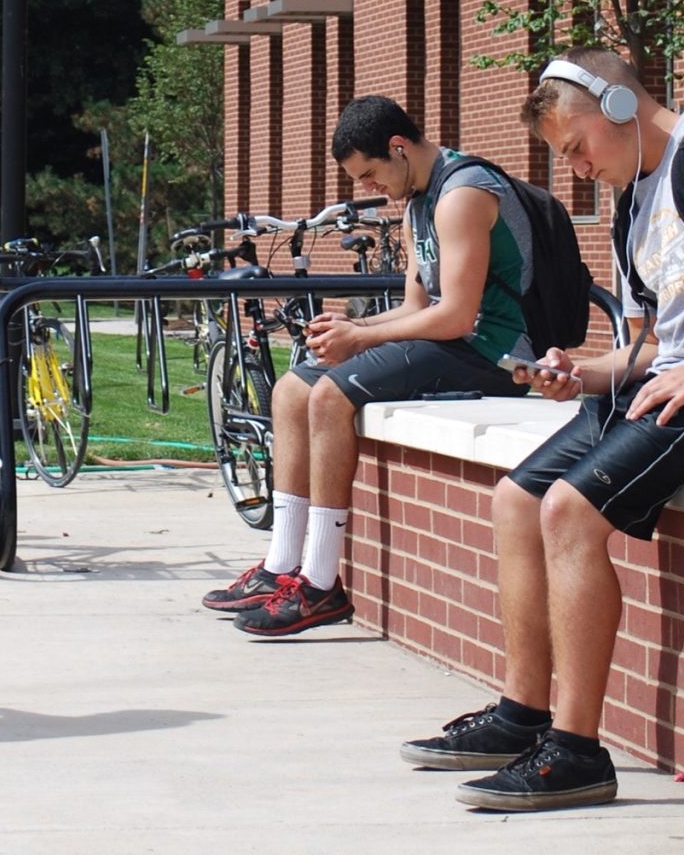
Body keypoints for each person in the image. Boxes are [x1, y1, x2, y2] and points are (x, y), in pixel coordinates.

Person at [402, 48, 684, 812]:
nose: (577, 169)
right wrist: (576, 369)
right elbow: (651, 347)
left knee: (568, 509)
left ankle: (575, 752)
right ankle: (521, 715)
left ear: (621, 107)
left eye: (575, 147)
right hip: (679, 382)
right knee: (514, 500)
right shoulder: (634, 202)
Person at [204, 93, 531, 639]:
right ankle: (282, 565)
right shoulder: (418, 202)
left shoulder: (463, 195)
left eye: (370, 173)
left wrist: (361, 340)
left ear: (398, 148)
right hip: (452, 342)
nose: (367, 189)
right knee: (290, 391)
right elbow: (412, 308)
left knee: (331, 396)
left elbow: (455, 316)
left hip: (496, 354)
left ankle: (321, 585)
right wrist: (350, 331)